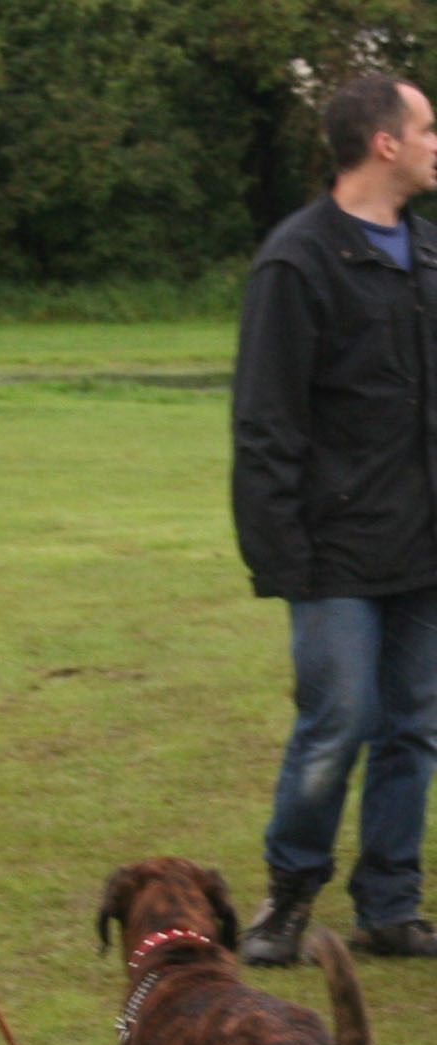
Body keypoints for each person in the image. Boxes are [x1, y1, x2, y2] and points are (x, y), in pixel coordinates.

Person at [233, 72, 437, 966]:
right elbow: (265, 423)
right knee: (339, 722)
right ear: (383, 143)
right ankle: (288, 894)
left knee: (414, 730)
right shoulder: (297, 260)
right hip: (332, 552)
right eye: (429, 128)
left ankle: (390, 906)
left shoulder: (428, 256)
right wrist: (284, 560)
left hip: (423, 545)